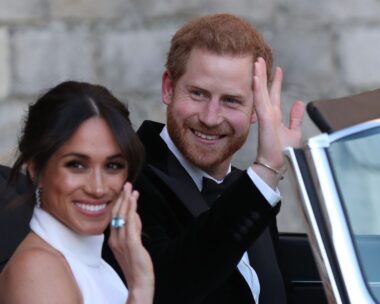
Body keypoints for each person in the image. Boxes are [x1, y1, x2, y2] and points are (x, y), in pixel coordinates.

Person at [108, 13, 304, 304]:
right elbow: (165, 288)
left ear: (255, 111)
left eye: (231, 100)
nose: (211, 118)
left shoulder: (248, 188)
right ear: (168, 88)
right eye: (198, 93)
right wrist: (266, 172)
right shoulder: (125, 177)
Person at [0, 81, 154, 304]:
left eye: (113, 166)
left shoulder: (89, 262)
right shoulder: (38, 270)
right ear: (36, 171)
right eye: (76, 165)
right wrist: (140, 290)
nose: (98, 188)